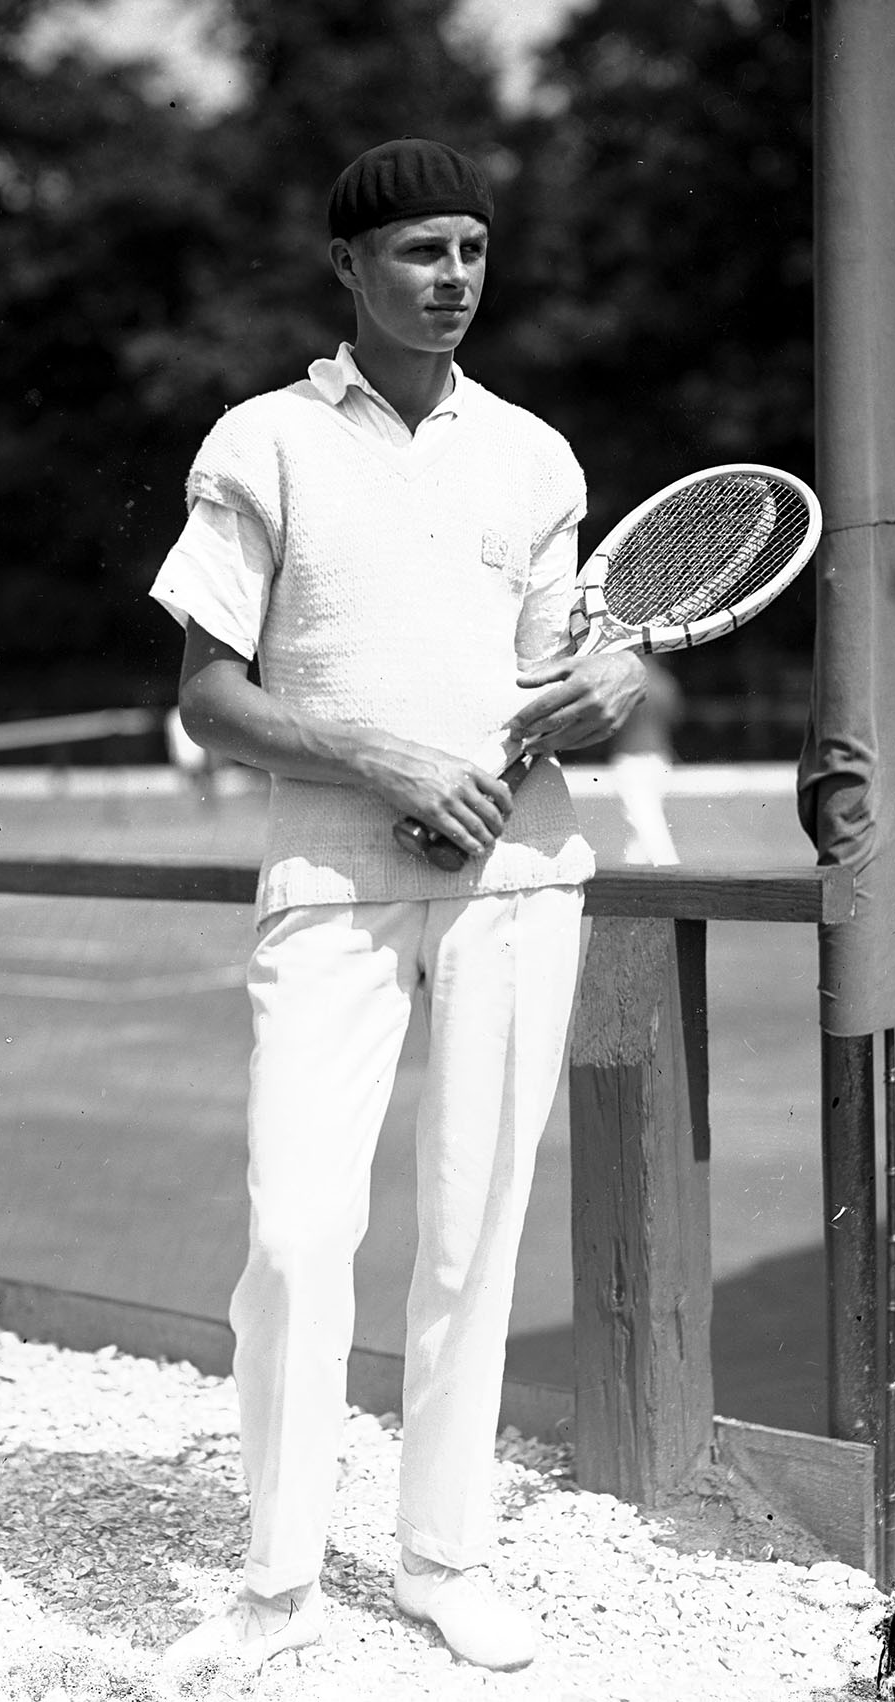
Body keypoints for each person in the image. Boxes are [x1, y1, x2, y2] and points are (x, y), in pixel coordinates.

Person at [149, 138, 645, 1679]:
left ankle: (442, 1559)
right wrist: (383, 757)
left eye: (475, 251)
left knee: (472, 1235)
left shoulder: (538, 457)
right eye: (422, 251)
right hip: (329, 883)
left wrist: (620, 680)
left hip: (521, 876)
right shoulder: (259, 442)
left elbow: (567, 664)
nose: (453, 280)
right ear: (348, 266)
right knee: (298, 1233)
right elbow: (210, 702)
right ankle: (278, 1584)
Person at [607, 656, 682, 865]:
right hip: (661, 757)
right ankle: (632, 872)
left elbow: (612, 721)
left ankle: (669, 866)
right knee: (642, 820)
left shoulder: (628, 685)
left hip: (631, 757)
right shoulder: (667, 683)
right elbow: (675, 717)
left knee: (646, 821)